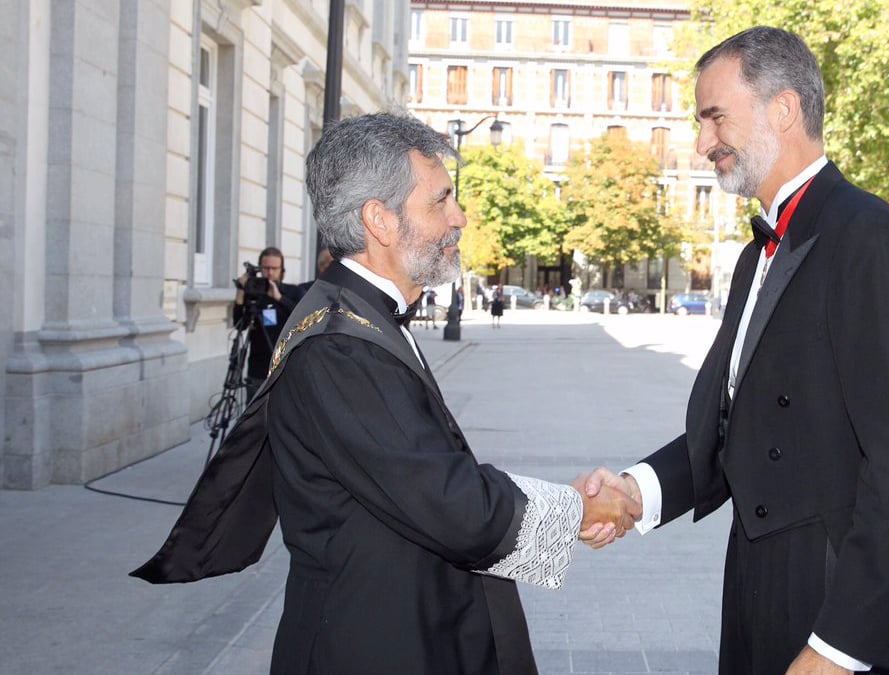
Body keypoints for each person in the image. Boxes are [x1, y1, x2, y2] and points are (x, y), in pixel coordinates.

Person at [131, 113, 639, 674]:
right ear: (380, 220)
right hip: (369, 643)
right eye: (440, 201)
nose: (459, 217)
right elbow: (450, 502)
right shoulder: (340, 350)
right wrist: (575, 507)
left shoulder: (361, 320)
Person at [583, 27, 889, 675]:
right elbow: (739, 432)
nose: (702, 143)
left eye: (715, 117)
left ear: (783, 110)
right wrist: (636, 492)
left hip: (838, 610)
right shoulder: (757, 257)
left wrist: (839, 648)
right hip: (757, 593)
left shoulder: (872, 239)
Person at [232, 246, 304, 394]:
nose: (270, 273)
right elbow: (239, 324)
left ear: (281, 270)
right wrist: (240, 291)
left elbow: (303, 317)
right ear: (260, 269)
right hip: (258, 368)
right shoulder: (253, 293)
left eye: (274, 268)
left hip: (285, 367)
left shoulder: (293, 292)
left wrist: (279, 298)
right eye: (266, 268)